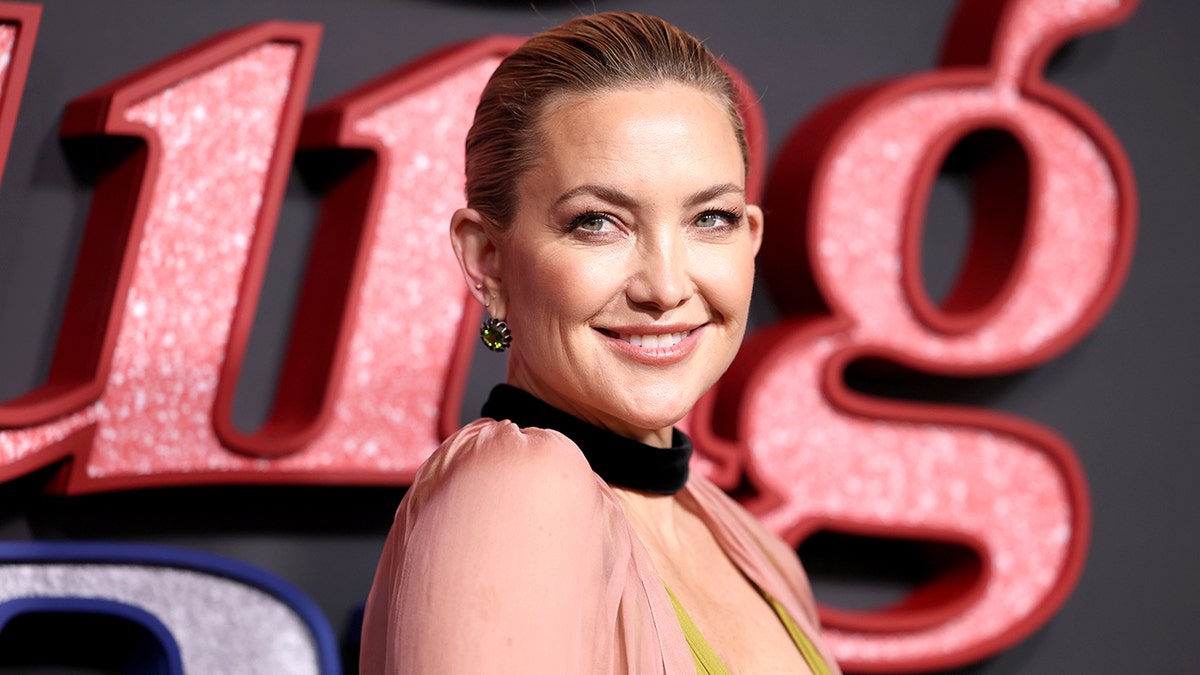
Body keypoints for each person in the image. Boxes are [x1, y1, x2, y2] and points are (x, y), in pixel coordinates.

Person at [360, 12, 840, 674]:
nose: (665, 286)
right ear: (488, 261)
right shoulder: (518, 495)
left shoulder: (760, 553)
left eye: (710, 218)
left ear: (751, 238)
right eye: (597, 223)